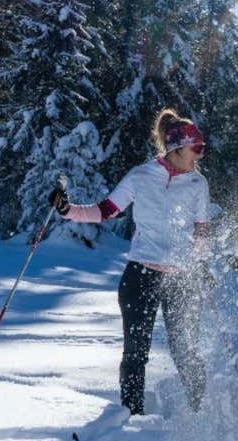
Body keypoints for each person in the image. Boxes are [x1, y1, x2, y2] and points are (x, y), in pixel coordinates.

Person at [50, 109, 210, 416]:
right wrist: (67, 210)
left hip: (181, 279)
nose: (199, 156)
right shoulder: (141, 175)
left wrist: (200, 267)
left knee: (185, 351)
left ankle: (200, 413)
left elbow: (201, 230)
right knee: (136, 353)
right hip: (141, 274)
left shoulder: (197, 184)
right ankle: (131, 417)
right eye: (196, 149)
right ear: (177, 147)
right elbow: (106, 210)